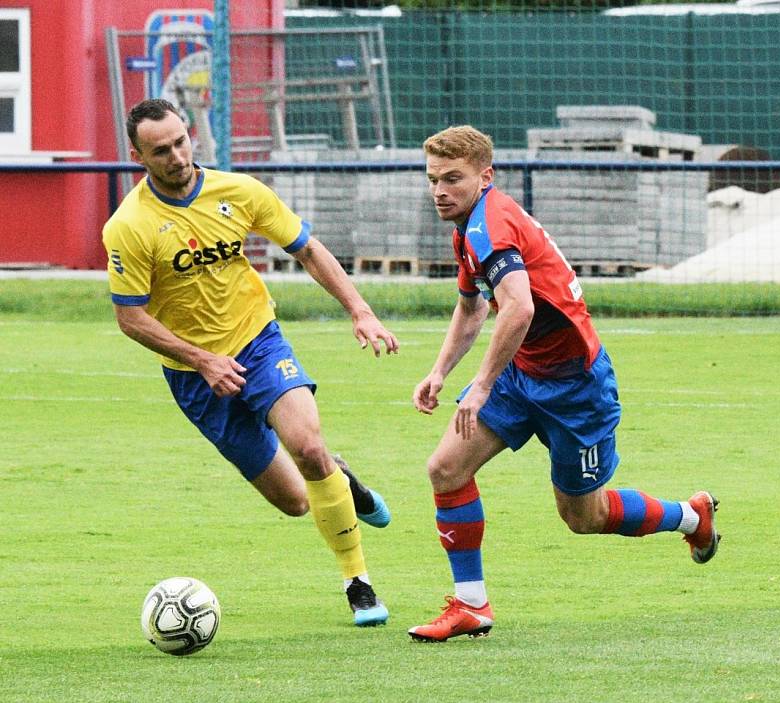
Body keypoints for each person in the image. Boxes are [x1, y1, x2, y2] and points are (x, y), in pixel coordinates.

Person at [407, 125, 721, 642]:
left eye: (453, 179)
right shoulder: (465, 229)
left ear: (485, 177)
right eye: (433, 179)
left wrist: (480, 383)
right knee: (445, 467)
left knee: (584, 517)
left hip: (576, 388)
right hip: (520, 373)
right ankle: (471, 605)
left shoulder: (490, 225)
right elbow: (471, 307)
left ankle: (691, 518)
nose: (440, 190)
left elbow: (519, 307)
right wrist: (440, 370)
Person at [102, 98, 399, 627]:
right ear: (137, 155)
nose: (176, 156)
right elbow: (131, 318)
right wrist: (201, 359)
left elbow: (308, 250)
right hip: (196, 378)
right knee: (295, 501)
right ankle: (344, 480)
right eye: (160, 150)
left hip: (259, 343)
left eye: (180, 141)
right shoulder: (129, 226)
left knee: (307, 446)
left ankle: (359, 583)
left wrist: (361, 311)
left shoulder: (239, 192)